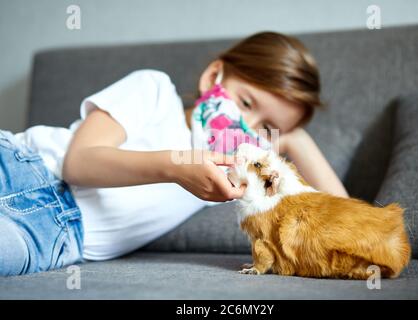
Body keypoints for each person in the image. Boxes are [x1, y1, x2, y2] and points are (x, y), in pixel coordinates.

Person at [0, 31, 348, 276]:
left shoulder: (231, 174)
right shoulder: (155, 91)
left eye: (266, 126)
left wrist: (297, 140)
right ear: (215, 75)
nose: (245, 124)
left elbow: (343, 223)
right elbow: (78, 163)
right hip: (25, 166)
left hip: (53, 239)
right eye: (245, 103)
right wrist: (176, 167)